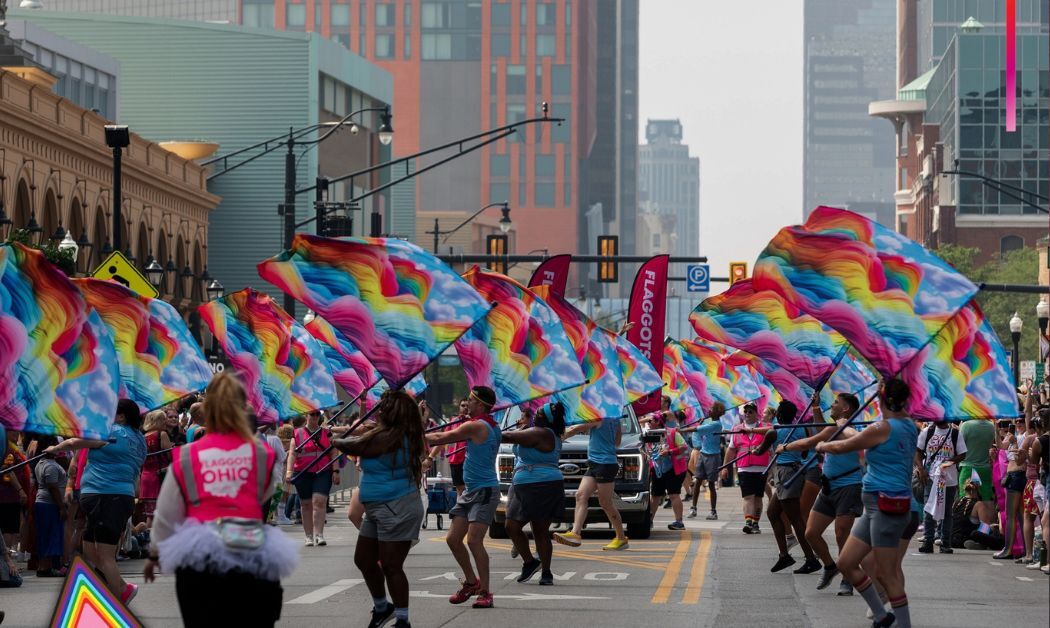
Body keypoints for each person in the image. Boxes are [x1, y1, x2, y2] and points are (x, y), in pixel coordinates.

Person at [145, 372, 297, 627]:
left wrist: (154, 554)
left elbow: (167, 512)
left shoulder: (188, 454)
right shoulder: (260, 452)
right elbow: (265, 493)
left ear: (208, 410)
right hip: (248, 545)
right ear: (243, 408)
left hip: (199, 552)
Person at [818, 379, 917, 628]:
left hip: (887, 505)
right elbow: (859, 438)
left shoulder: (884, 428)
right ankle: (882, 617)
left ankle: (903, 624)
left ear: (883, 399)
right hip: (873, 505)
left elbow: (846, 445)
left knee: (886, 574)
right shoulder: (908, 424)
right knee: (846, 563)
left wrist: (823, 445)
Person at [333, 390, 426, 628]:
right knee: (364, 559)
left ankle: (403, 620)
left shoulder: (394, 437)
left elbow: (356, 446)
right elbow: (362, 440)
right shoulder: (386, 433)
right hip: (377, 508)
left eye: (384, 406)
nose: (380, 410)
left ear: (394, 412)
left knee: (391, 566)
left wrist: (333, 441)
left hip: (397, 507)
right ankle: (383, 608)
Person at [46, 399, 147, 603]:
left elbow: (74, 443)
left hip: (107, 497)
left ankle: (121, 594)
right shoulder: (140, 440)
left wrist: (54, 449)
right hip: (115, 497)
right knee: (89, 549)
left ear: (121, 416)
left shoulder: (111, 431)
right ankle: (117, 588)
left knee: (105, 554)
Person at [777, 394, 864, 594]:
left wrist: (785, 447)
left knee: (841, 534)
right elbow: (820, 431)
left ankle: (848, 578)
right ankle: (830, 566)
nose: (831, 405)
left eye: (836, 402)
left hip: (849, 487)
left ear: (846, 409)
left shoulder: (854, 429)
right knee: (811, 533)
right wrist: (815, 407)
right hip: (828, 488)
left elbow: (808, 442)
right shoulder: (832, 428)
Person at [425, 386, 501, 608]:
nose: (467, 403)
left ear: (481, 405)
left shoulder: (477, 426)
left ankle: (485, 592)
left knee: (474, 541)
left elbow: (440, 437)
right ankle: (471, 582)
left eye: (471, 400)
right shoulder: (489, 425)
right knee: (452, 539)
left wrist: (410, 435)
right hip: (470, 491)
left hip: (485, 491)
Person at [500, 402, 566, 586]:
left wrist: (483, 430)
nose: (534, 415)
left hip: (542, 485)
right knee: (511, 526)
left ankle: (546, 572)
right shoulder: (535, 431)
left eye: (538, 414)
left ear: (545, 419)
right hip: (523, 486)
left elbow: (507, 436)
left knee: (539, 531)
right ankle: (530, 562)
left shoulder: (542, 433)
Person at [553, 413, 629, 551]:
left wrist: (557, 437)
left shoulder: (599, 417)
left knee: (606, 503)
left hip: (605, 464)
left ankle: (621, 538)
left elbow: (575, 429)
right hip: (595, 463)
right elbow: (617, 442)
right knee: (581, 495)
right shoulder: (615, 419)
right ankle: (575, 534)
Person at [764, 401, 821, 574]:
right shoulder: (802, 430)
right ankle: (784, 556)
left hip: (785, 473)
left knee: (796, 519)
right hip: (795, 470)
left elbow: (760, 451)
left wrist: (753, 451)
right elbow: (805, 452)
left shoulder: (773, 432)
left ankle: (811, 559)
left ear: (779, 415)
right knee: (772, 513)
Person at [286, 410, 339, 547]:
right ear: (306, 416)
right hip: (302, 472)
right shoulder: (297, 433)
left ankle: (319, 534)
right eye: (312, 414)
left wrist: (336, 471)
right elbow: (292, 454)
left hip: (323, 471)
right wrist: (289, 471)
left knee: (319, 501)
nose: (315, 417)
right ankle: (308, 536)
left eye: (317, 414)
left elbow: (334, 452)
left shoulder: (327, 433)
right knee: (306, 504)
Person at [914, 417, 966, 554]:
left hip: (949, 479)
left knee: (947, 511)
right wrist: (921, 469)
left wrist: (947, 463)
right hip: (930, 477)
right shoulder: (927, 432)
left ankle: (945, 543)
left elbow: (962, 454)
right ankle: (928, 541)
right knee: (928, 509)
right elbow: (917, 451)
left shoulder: (955, 433)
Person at [721, 403, 771, 533]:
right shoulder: (737, 429)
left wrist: (772, 469)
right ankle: (748, 523)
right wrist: (725, 467)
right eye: (746, 412)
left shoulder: (766, 427)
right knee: (748, 497)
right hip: (744, 468)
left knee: (758, 497)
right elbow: (731, 450)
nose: (747, 414)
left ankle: (755, 524)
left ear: (756, 414)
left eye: (750, 412)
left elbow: (771, 444)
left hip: (761, 468)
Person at [995, 409, 1029, 560]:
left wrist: (1014, 442)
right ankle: (1026, 552)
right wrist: (996, 428)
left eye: (1022, 420)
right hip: (1015, 477)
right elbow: (1000, 446)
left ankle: (1008, 549)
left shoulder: (1027, 436)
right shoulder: (1013, 435)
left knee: (1011, 516)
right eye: (1017, 421)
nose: (1019, 423)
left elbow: (1019, 458)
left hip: (1017, 476)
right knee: (1021, 515)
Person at [683, 402, 726, 520]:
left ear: (717, 412)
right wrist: (701, 423)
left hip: (713, 456)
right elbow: (699, 432)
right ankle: (693, 508)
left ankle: (713, 512)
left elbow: (697, 429)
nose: (709, 410)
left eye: (711, 409)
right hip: (703, 453)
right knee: (698, 481)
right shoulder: (710, 422)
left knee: (711, 484)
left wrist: (681, 430)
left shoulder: (716, 424)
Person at [647, 415, 689, 530]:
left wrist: (669, 452)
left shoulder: (672, 432)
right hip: (658, 470)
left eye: (650, 421)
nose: (648, 423)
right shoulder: (649, 435)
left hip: (674, 469)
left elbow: (684, 447)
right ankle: (648, 521)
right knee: (655, 495)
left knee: (674, 494)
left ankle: (679, 522)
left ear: (658, 422)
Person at [32, 436, 66, 577]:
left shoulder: (42, 463)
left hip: (44, 503)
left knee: (45, 534)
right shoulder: (50, 466)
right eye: (56, 445)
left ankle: (45, 566)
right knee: (50, 535)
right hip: (49, 505)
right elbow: (53, 487)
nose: (59, 447)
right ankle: (45, 567)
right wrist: (61, 507)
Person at [958, 412, 997, 521]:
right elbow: (990, 445)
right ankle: (987, 528)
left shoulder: (966, 425)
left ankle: (965, 527)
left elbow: (959, 447)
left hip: (968, 468)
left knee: (965, 500)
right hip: (985, 468)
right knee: (987, 500)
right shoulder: (991, 426)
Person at [138, 410, 173, 528]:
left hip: (146, 478)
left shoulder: (142, 437)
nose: (166, 422)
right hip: (160, 478)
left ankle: (148, 537)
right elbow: (171, 456)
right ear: (157, 421)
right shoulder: (161, 434)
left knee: (151, 516)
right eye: (163, 419)